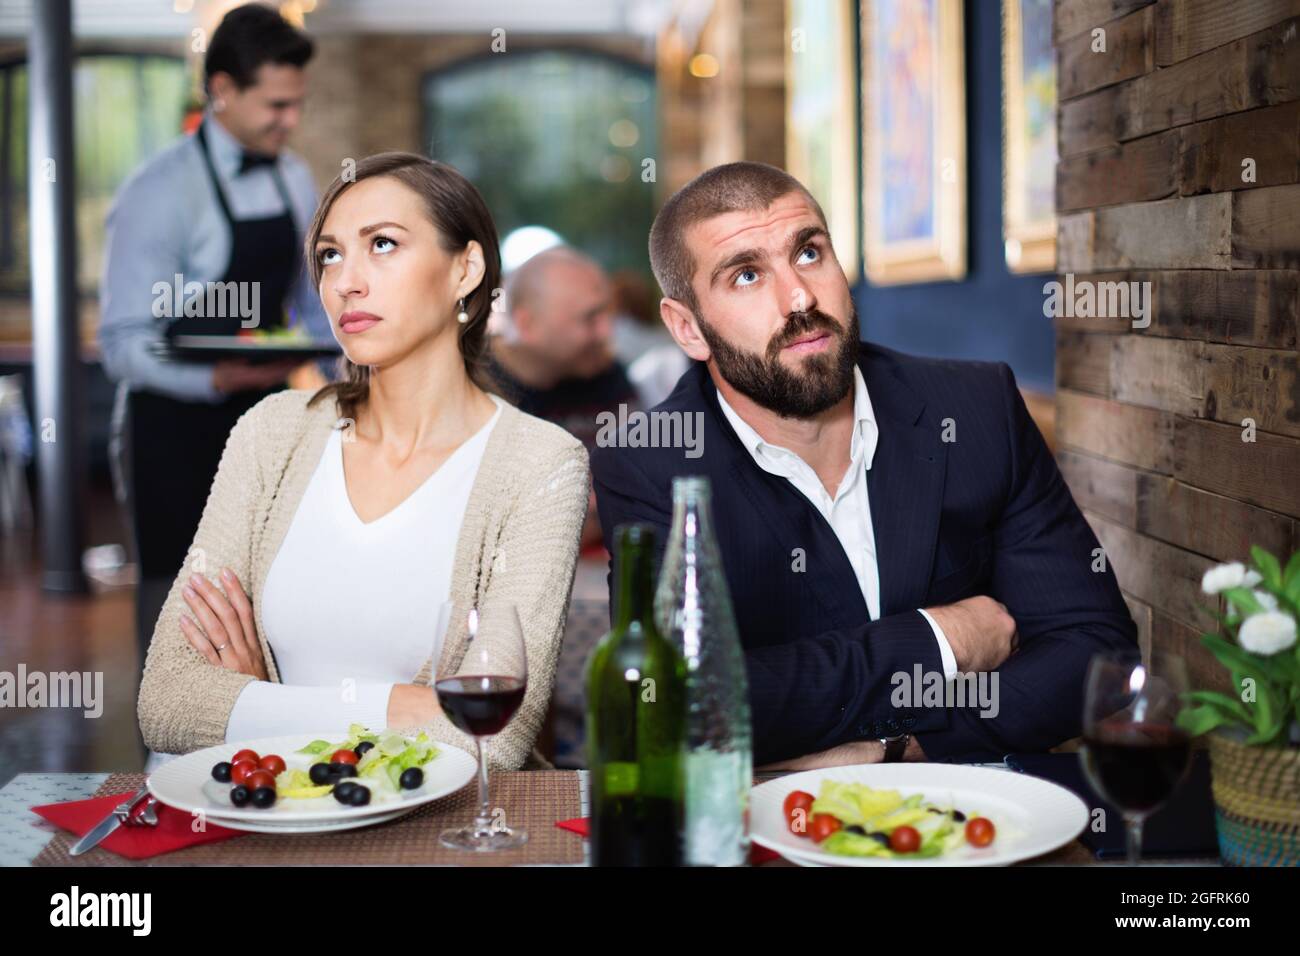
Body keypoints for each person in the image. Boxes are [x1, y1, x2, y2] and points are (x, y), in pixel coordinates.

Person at [590, 161, 1138, 769]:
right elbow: (671, 702)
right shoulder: (650, 462)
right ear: (688, 328)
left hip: (978, 820)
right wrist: (936, 641)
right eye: (746, 275)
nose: (798, 296)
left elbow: (1096, 651)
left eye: (809, 252)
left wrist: (897, 750)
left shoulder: (976, 409)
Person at [136, 153, 590, 771]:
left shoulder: (541, 463)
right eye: (329, 254)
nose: (346, 280)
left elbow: (494, 739)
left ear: (466, 268)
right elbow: (166, 701)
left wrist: (260, 703)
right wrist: (403, 706)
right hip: (249, 828)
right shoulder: (273, 432)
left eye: (382, 244)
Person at [99, 4, 331, 664]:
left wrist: (351, 372)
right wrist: (212, 377)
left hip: (268, 418)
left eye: (298, 104)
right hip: (171, 429)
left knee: (269, 591)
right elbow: (122, 342)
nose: (291, 121)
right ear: (222, 91)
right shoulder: (157, 190)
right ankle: (167, 748)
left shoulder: (292, 175)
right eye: (276, 104)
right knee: (177, 594)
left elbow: (311, 307)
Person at [489, 246, 641, 547]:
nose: (607, 332)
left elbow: (638, 494)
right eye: (590, 318)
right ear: (527, 324)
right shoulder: (472, 388)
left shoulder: (609, 378)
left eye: (609, 313)